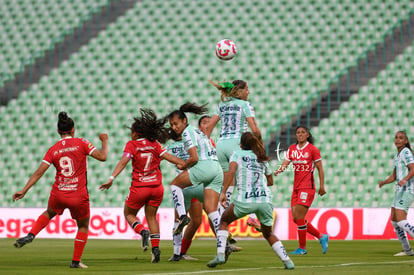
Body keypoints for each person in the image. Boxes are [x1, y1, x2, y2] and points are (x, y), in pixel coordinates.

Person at [12, 112, 108, 269]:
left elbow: (39, 172)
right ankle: (75, 261)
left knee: (49, 213)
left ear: (58, 132)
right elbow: (103, 157)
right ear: (73, 129)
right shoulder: (81, 142)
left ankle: (31, 235)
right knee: (83, 226)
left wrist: (24, 190)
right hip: (78, 194)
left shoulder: (53, 149)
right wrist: (104, 140)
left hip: (59, 193)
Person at [99, 108, 185, 263]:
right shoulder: (155, 144)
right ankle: (156, 249)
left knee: (129, 213)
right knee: (152, 216)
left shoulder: (132, 145)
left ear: (135, 133)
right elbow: (169, 157)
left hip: (140, 188)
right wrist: (184, 163)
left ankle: (142, 230)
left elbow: (124, 161)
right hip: (156, 188)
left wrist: (112, 177)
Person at [207, 132, 294, 269]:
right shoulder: (261, 157)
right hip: (264, 199)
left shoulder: (237, 154)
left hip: (245, 199)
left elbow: (230, 172)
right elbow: (270, 182)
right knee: (268, 233)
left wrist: (223, 192)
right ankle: (287, 261)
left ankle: (220, 254)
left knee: (223, 221)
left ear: (241, 144)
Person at [205, 79, 262, 231]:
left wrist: (206, 146)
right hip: (238, 145)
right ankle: (253, 218)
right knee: (253, 178)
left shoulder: (221, 106)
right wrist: (259, 143)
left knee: (227, 186)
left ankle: (221, 220)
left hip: (221, 146)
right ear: (239, 91)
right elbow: (254, 129)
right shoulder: (245, 105)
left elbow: (209, 126)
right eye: (247, 89)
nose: (248, 92)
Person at [167, 102, 223, 238]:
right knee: (212, 210)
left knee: (175, 184)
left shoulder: (187, 133)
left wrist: (184, 166)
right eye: (172, 125)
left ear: (184, 120)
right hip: (217, 169)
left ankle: (182, 217)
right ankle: (223, 243)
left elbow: (194, 158)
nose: (174, 128)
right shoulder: (198, 131)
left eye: (176, 124)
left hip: (204, 167)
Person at [274, 125, 328, 255]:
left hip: (307, 187)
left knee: (299, 217)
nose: (300, 134)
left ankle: (302, 248)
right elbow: (285, 163)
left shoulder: (312, 149)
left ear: (307, 135)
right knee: (296, 219)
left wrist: (322, 186)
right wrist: (278, 171)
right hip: (296, 188)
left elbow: (320, 168)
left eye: (303, 132)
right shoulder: (292, 149)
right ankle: (321, 236)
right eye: (298, 132)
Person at [379, 130, 414, 256]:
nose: (398, 140)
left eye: (401, 138)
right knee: (394, 221)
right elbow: (394, 176)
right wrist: (384, 182)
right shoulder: (397, 155)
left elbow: (413, 168)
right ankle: (407, 250)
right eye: (396, 137)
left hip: (407, 190)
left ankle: (408, 249)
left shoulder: (406, 152)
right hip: (399, 190)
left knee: (400, 220)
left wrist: (405, 179)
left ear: (406, 141)